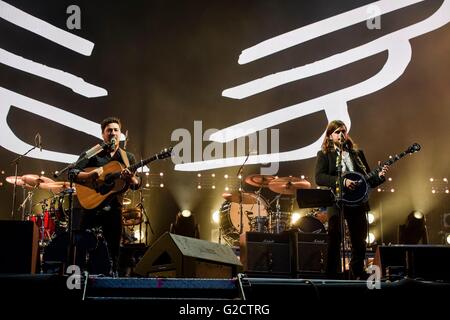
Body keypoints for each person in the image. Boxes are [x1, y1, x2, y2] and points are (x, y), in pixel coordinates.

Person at [315, 120, 388, 279]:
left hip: (358, 202)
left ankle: (358, 273)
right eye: (337, 132)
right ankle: (332, 275)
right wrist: (342, 181)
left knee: (359, 240)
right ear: (329, 136)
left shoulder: (357, 154)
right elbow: (319, 177)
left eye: (343, 131)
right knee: (335, 237)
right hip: (337, 202)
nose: (341, 134)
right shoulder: (324, 154)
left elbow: (367, 179)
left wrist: (379, 177)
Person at [71, 117, 140, 275]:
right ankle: (79, 279)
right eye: (109, 130)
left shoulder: (127, 158)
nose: (113, 133)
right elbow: (72, 173)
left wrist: (132, 178)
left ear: (120, 134)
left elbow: (136, 185)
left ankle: (112, 279)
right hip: (91, 207)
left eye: (116, 130)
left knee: (114, 250)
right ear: (103, 134)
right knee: (82, 246)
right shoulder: (93, 153)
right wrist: (90, 175)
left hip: (114, 208)